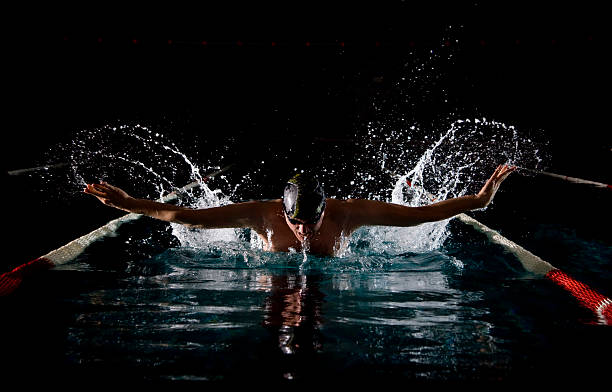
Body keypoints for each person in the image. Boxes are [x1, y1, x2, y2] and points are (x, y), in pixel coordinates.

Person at [84, 164, 516, 256]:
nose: (306, 231)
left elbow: (420, 214)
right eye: (297, 222)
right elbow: (188, 217)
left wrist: (479, 201)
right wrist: (130, 204)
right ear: (285, 214)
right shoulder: (260, 214)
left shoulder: (351, 213)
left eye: (315, 221)